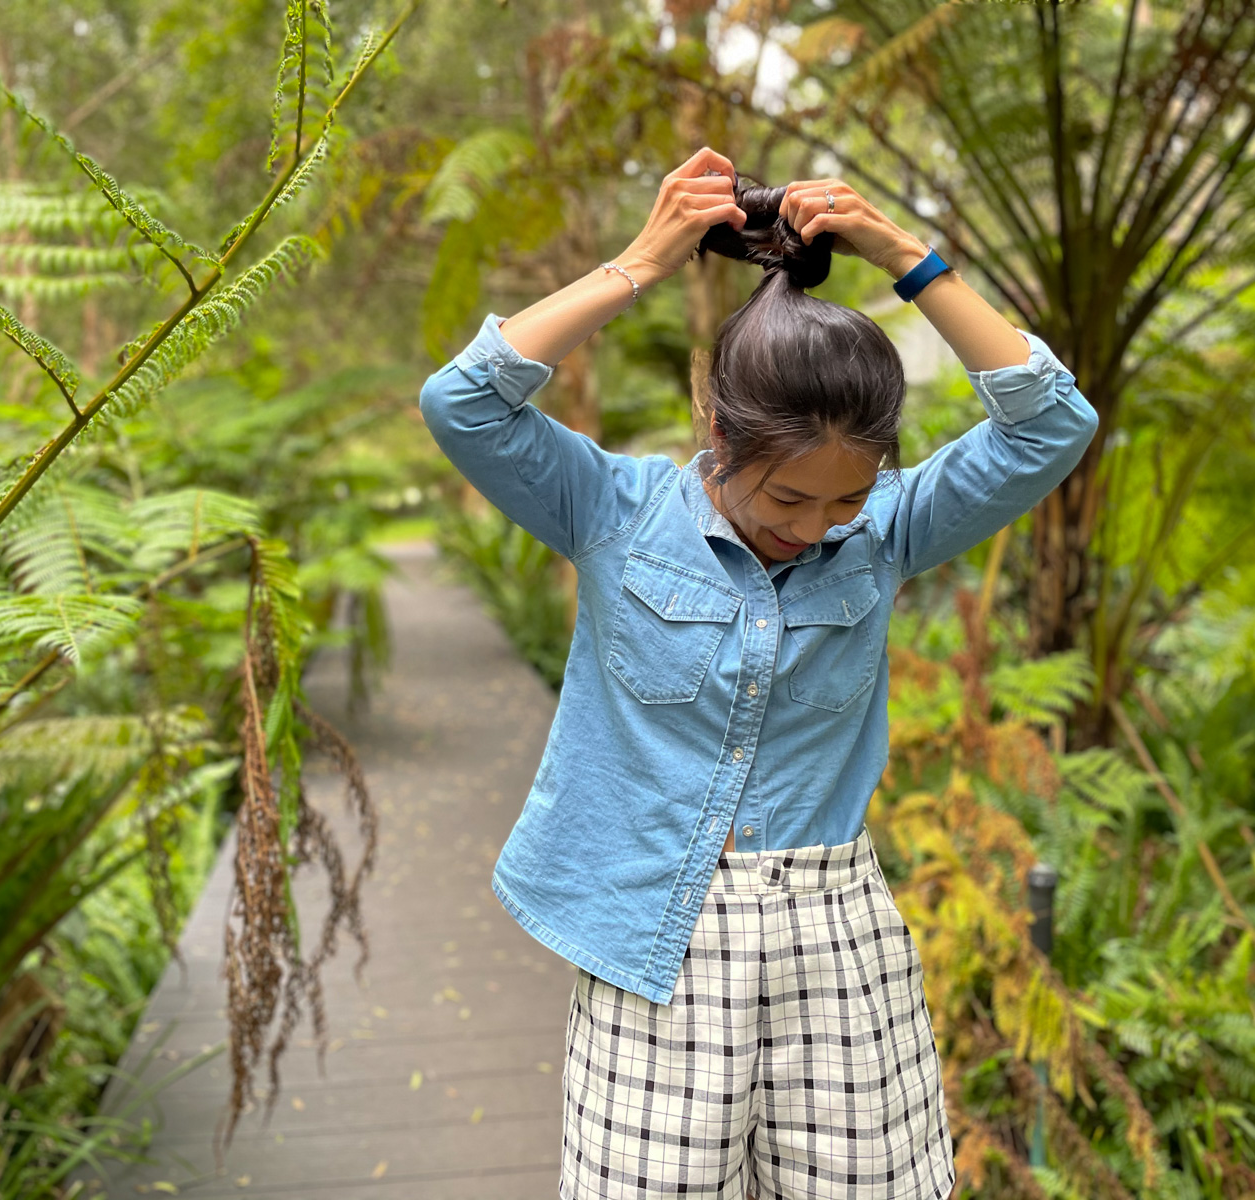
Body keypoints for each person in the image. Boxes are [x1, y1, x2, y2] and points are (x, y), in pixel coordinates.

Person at [417, 145, 1098, 1200]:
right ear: (720, 432)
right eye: (786, 501)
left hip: (833, 935)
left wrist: (900, 253)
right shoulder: (612, 510)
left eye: (842, 502)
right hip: (655, 941)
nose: (814, 528)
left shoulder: (885, 535)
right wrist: (643, 262)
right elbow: (464, 403)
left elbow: (1051, 422)